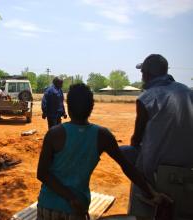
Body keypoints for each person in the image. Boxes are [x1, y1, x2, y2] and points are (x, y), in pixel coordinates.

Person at [37, 83, 171, 220]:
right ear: (92, 107)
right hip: (76, 211)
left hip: (47, 206)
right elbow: (127, 166)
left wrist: (70, 198)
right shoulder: (102, 135)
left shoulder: (54, 134)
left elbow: (42, 174)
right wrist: (153, 193)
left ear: (68, 106)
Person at [121, 54, 193, 219]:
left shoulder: (146, 98)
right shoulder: (188, 92)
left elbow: (136, 140)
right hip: (186, 170)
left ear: (146, 74)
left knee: (123, 152)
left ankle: (147, 196)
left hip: (155, 171)